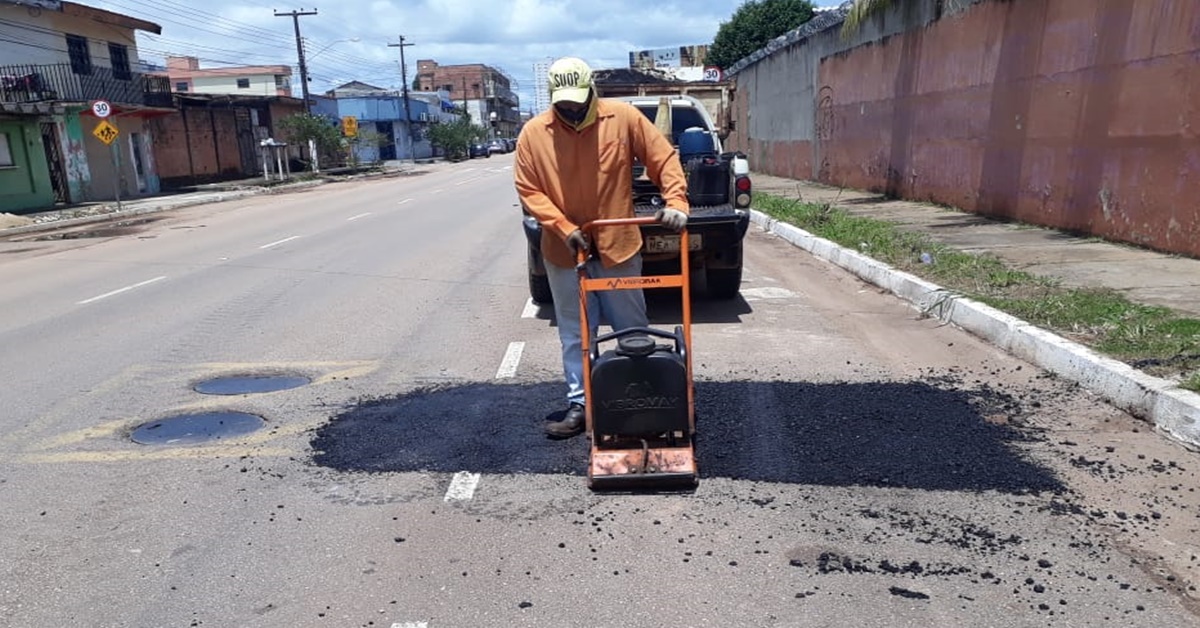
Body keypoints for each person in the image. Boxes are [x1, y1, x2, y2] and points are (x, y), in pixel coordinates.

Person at [514, 57, 690, 439]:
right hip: (565, 251)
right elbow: (529, 190)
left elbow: (664, 158)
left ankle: (642, 400)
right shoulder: (534, 133)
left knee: (632, 330)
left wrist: (675, 202)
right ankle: (582, 405)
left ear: (592, 90)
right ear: (552, 97)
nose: (572, 108)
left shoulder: (623, 119)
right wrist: (562, 228)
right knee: (576, 333)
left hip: (617, 245)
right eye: (564, 103)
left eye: (578, 100)